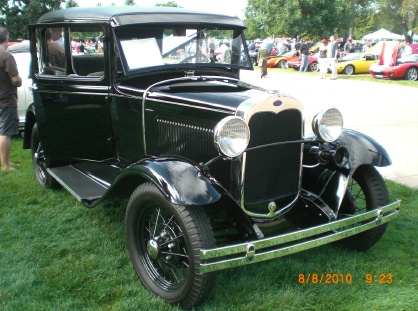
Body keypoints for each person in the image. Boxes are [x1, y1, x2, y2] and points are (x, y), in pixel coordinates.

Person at [0, 27, 22, 171]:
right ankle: (5, 165)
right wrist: (20, 81)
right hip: (6, 99)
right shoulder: (6, 56)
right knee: (5, 133)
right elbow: (15, 80)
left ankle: (4, 161)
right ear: (6, 39)